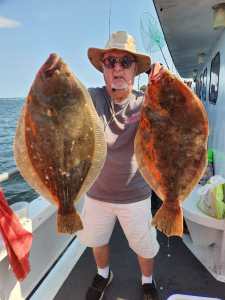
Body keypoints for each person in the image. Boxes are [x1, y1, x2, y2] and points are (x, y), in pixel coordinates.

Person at [77, 31, 160, 300]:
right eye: (110, 61)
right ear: (103, 68)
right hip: (96, 194)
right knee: (97, 241)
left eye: (125, 62)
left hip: (135, 195)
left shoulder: (146, 103)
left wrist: (164, 81)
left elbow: (176, 117)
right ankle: (104, 274)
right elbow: (66, 103)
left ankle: (147, 281)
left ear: (135, 69)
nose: (117, 68)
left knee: (144, 247)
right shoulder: (91, 99)